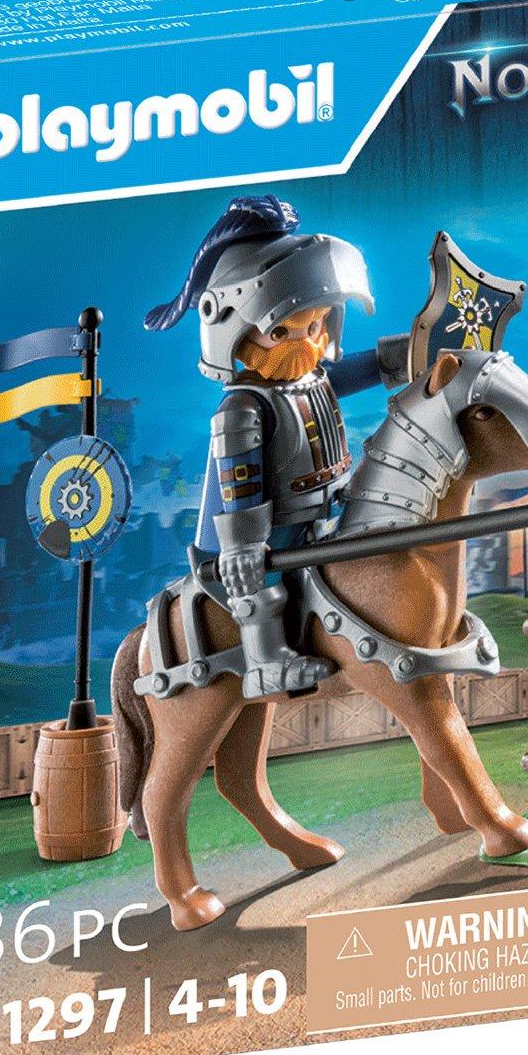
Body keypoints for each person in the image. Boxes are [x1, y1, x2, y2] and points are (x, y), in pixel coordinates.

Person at [144, 196, 411, 698]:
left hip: (325, 513)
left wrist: (411, 350)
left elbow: (365, 368)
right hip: (261, 533)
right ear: (236, 331)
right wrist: (243, 547)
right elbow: (239, 483)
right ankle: (266, 659)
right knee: (262, 584)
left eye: (313, 326)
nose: (304, 341)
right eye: (282, 331)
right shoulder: (241, 409)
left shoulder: (311, 377)